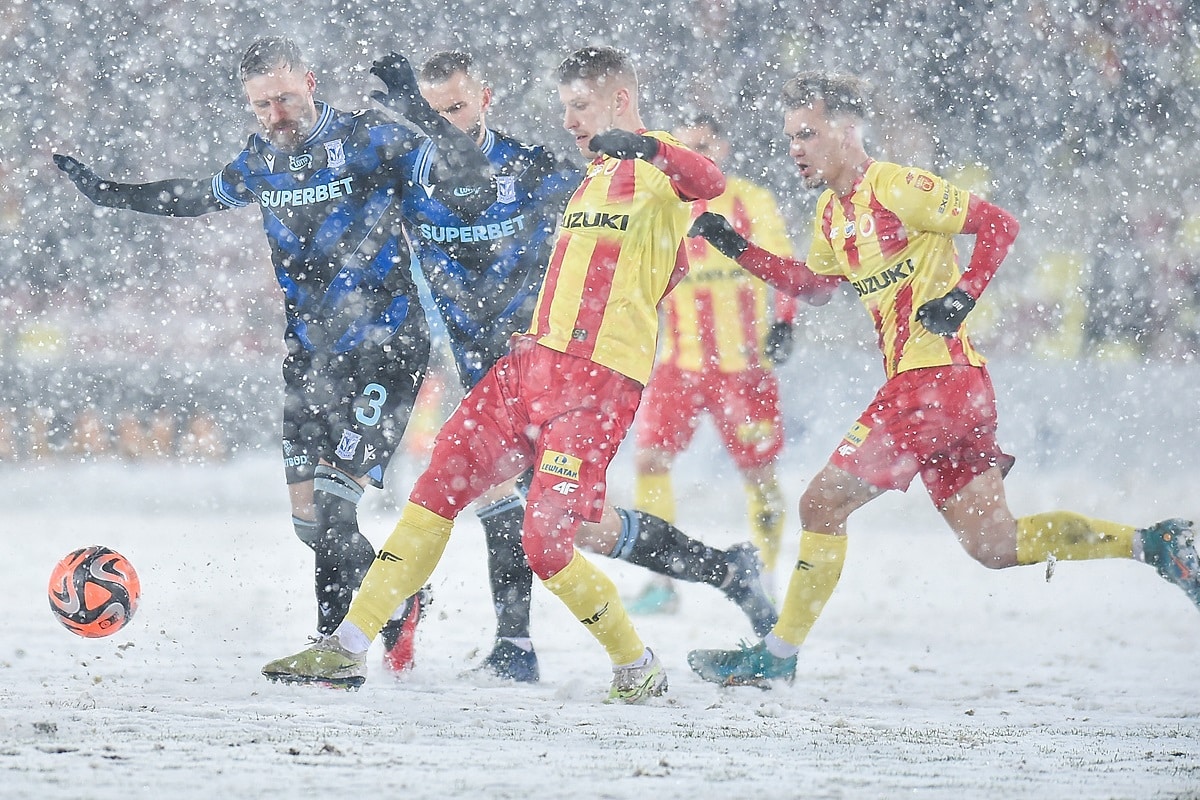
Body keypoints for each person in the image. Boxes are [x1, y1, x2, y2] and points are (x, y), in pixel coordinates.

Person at [686, 72, 1200, 687]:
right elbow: (816, 288)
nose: (795, 148)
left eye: (807, 134)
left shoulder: (897, 186)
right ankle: (1155, 544)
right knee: (994, 544)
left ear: (847, 132)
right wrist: (734, 245)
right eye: (790, 136)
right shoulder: (831, 214)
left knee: (819, 504)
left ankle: (778, 653)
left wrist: (962, 295)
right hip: (955, 390)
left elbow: (998, 224)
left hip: (933, 384)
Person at [261, 45, 730, 702]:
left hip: (592, 387)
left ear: (620, 101)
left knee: (551, 542)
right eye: (565, 107)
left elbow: (710, 182)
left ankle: (644, 654)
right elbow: (474, 181)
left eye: (582, 106)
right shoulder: (589, 176)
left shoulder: (646, 174)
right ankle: (346, 647)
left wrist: (649, 148)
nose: (569, 119)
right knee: (434, 494)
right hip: (519, 370)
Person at [54, 38, 492, 658]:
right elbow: (195, 197)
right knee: (310, 523)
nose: (276, 114)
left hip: (386, 347)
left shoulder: (368, 138)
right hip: (312, 358)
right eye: (262, 105)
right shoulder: (260, 159)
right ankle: (400, 599)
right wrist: (113, 193)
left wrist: (415, 109)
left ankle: (332, 644)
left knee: (338, 510)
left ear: (310, 82)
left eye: (285, 98)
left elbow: (467, 172)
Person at [372, 51, 778, 684]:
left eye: (457, 106)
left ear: (488, 96)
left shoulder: (549, 170)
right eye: (440, 111)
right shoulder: (459, 165)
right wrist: (422, 122)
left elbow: (691, 192)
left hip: (565, 369)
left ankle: (517, 645)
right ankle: (723, 569)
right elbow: (464, 167)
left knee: (537, 518)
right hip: (511, 363)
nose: (567, 121)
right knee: (575, 523)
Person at [626, 112, 798, 615]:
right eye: (688, 146)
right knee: (650, 462)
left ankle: (765, 574)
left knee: (759, 473)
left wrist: (784, 321)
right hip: (678, 364)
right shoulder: (663, 202)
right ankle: (661, 582)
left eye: (705, 144)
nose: (697, 153)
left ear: (722, 148)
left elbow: (780, 262)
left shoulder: (751, 201)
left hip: (741, 366)